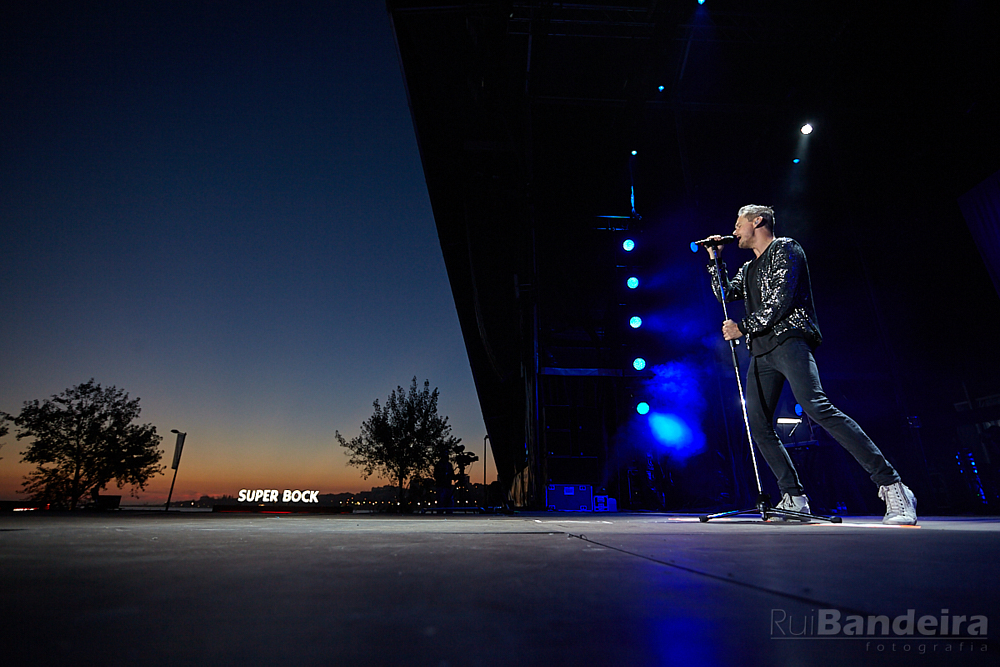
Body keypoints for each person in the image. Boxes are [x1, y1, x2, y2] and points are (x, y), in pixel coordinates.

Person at [705, 205, 917, 525]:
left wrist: (742, 327)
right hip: (761, 351)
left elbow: (781, 301)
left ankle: (892, 485)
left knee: (817, 406)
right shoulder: (747, 269)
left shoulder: (787, 249)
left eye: (738, 224)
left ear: (757, 221)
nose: (734, 231)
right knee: (758, 425)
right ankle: (794, 496)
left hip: (790, 339)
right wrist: (714, 259)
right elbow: (724, 295)